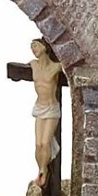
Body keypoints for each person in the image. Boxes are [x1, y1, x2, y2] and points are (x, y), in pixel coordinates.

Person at [29, 38, 63, 187]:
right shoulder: (33, 64)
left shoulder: (56, 67)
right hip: (39, 107)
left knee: (45, 142)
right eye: (31, 47)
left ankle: (43, 170)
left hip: (51, 108)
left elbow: (70, 68)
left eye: (36, 45)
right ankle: (40, 169)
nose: (33, 49)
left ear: (44, 47)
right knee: (38, 144)